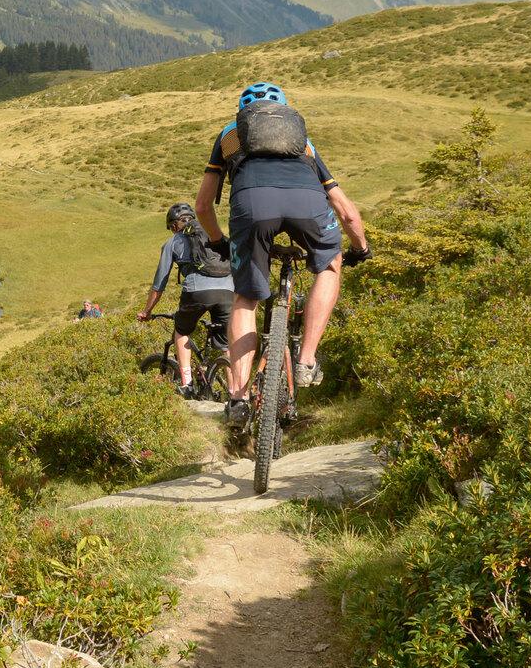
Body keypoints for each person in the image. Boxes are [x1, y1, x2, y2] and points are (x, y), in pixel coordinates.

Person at [194, 82, 370, 426]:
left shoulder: (230, 135)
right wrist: (359, 247)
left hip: (252, 205)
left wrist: (217, 241)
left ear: (245, 112)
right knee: (330, 264)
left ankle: (239, 399)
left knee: (245, 299)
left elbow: (202, 205)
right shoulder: (303, 142)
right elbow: (345, 210)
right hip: (307, 204)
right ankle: (305, 361)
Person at [136, 201, 234, 396]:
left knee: (181, 331)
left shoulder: (172, 243)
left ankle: (187, 383)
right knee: (226, 345)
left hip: (197, 291)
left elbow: (158, 285)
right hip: (228, 289)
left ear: (174, 226)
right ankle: (235, 392)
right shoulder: (212, 234)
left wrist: (147, 311)